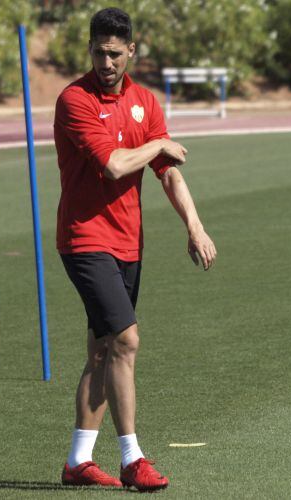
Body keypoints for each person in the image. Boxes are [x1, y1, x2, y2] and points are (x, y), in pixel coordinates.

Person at [54, 7, 217, 492]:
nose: (106, 61)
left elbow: (169, 172)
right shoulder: (74, 100)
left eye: (114, 53)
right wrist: (159, 144)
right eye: (98, 52)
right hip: (85, 239)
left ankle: (78, 461)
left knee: (102, 351)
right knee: (126, 342)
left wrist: (195, 226)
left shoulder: (144, 100)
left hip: (128, 242)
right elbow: (115, 165)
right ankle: (132, 459)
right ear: (89, 50)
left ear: (131, 52)